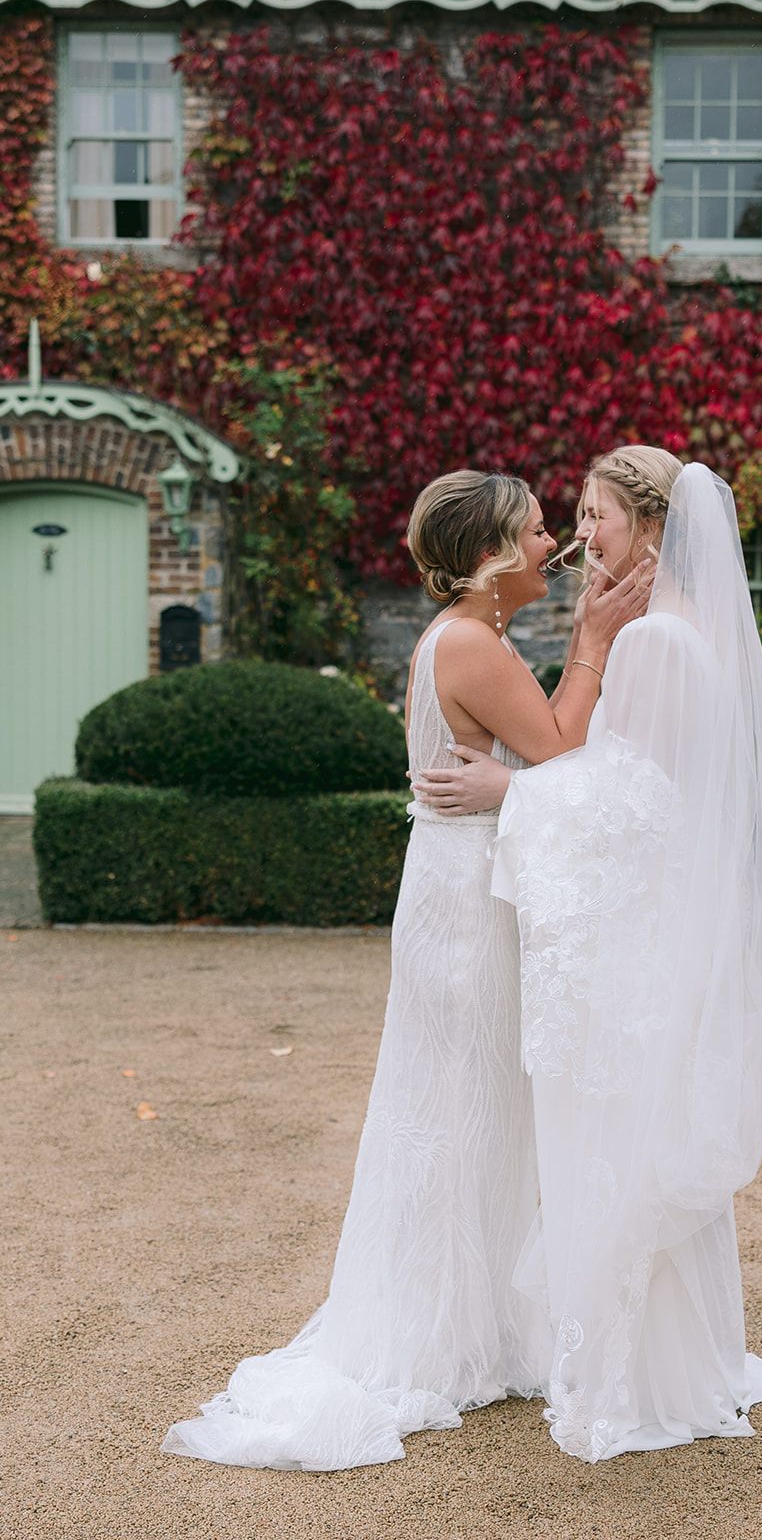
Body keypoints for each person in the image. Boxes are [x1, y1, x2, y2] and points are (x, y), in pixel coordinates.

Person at [161, 470, 652, 1471]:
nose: (552, 538)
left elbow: (526, 756)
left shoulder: (464, 638)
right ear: (488, 560)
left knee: (461, 1112)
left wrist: (522, 751)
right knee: (463, 1112)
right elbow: (559, 749)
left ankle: (469, 1324)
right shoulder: (471, 642)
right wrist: (595, 643)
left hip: (452, 889)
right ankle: (438, 1336)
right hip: (467, 908)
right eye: (533, 530)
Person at [417, 447, 762, 1462]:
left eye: (595, 516)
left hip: (628, 941)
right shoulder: (670, 633)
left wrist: (511, 794)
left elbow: (639, 806)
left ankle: (635, 1379)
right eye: (571, 516)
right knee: (632, 1138)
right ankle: (665, 1360)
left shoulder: (656, 643)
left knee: (616, 1144)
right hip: (637, 931)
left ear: (652, 532)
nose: (580, 536)